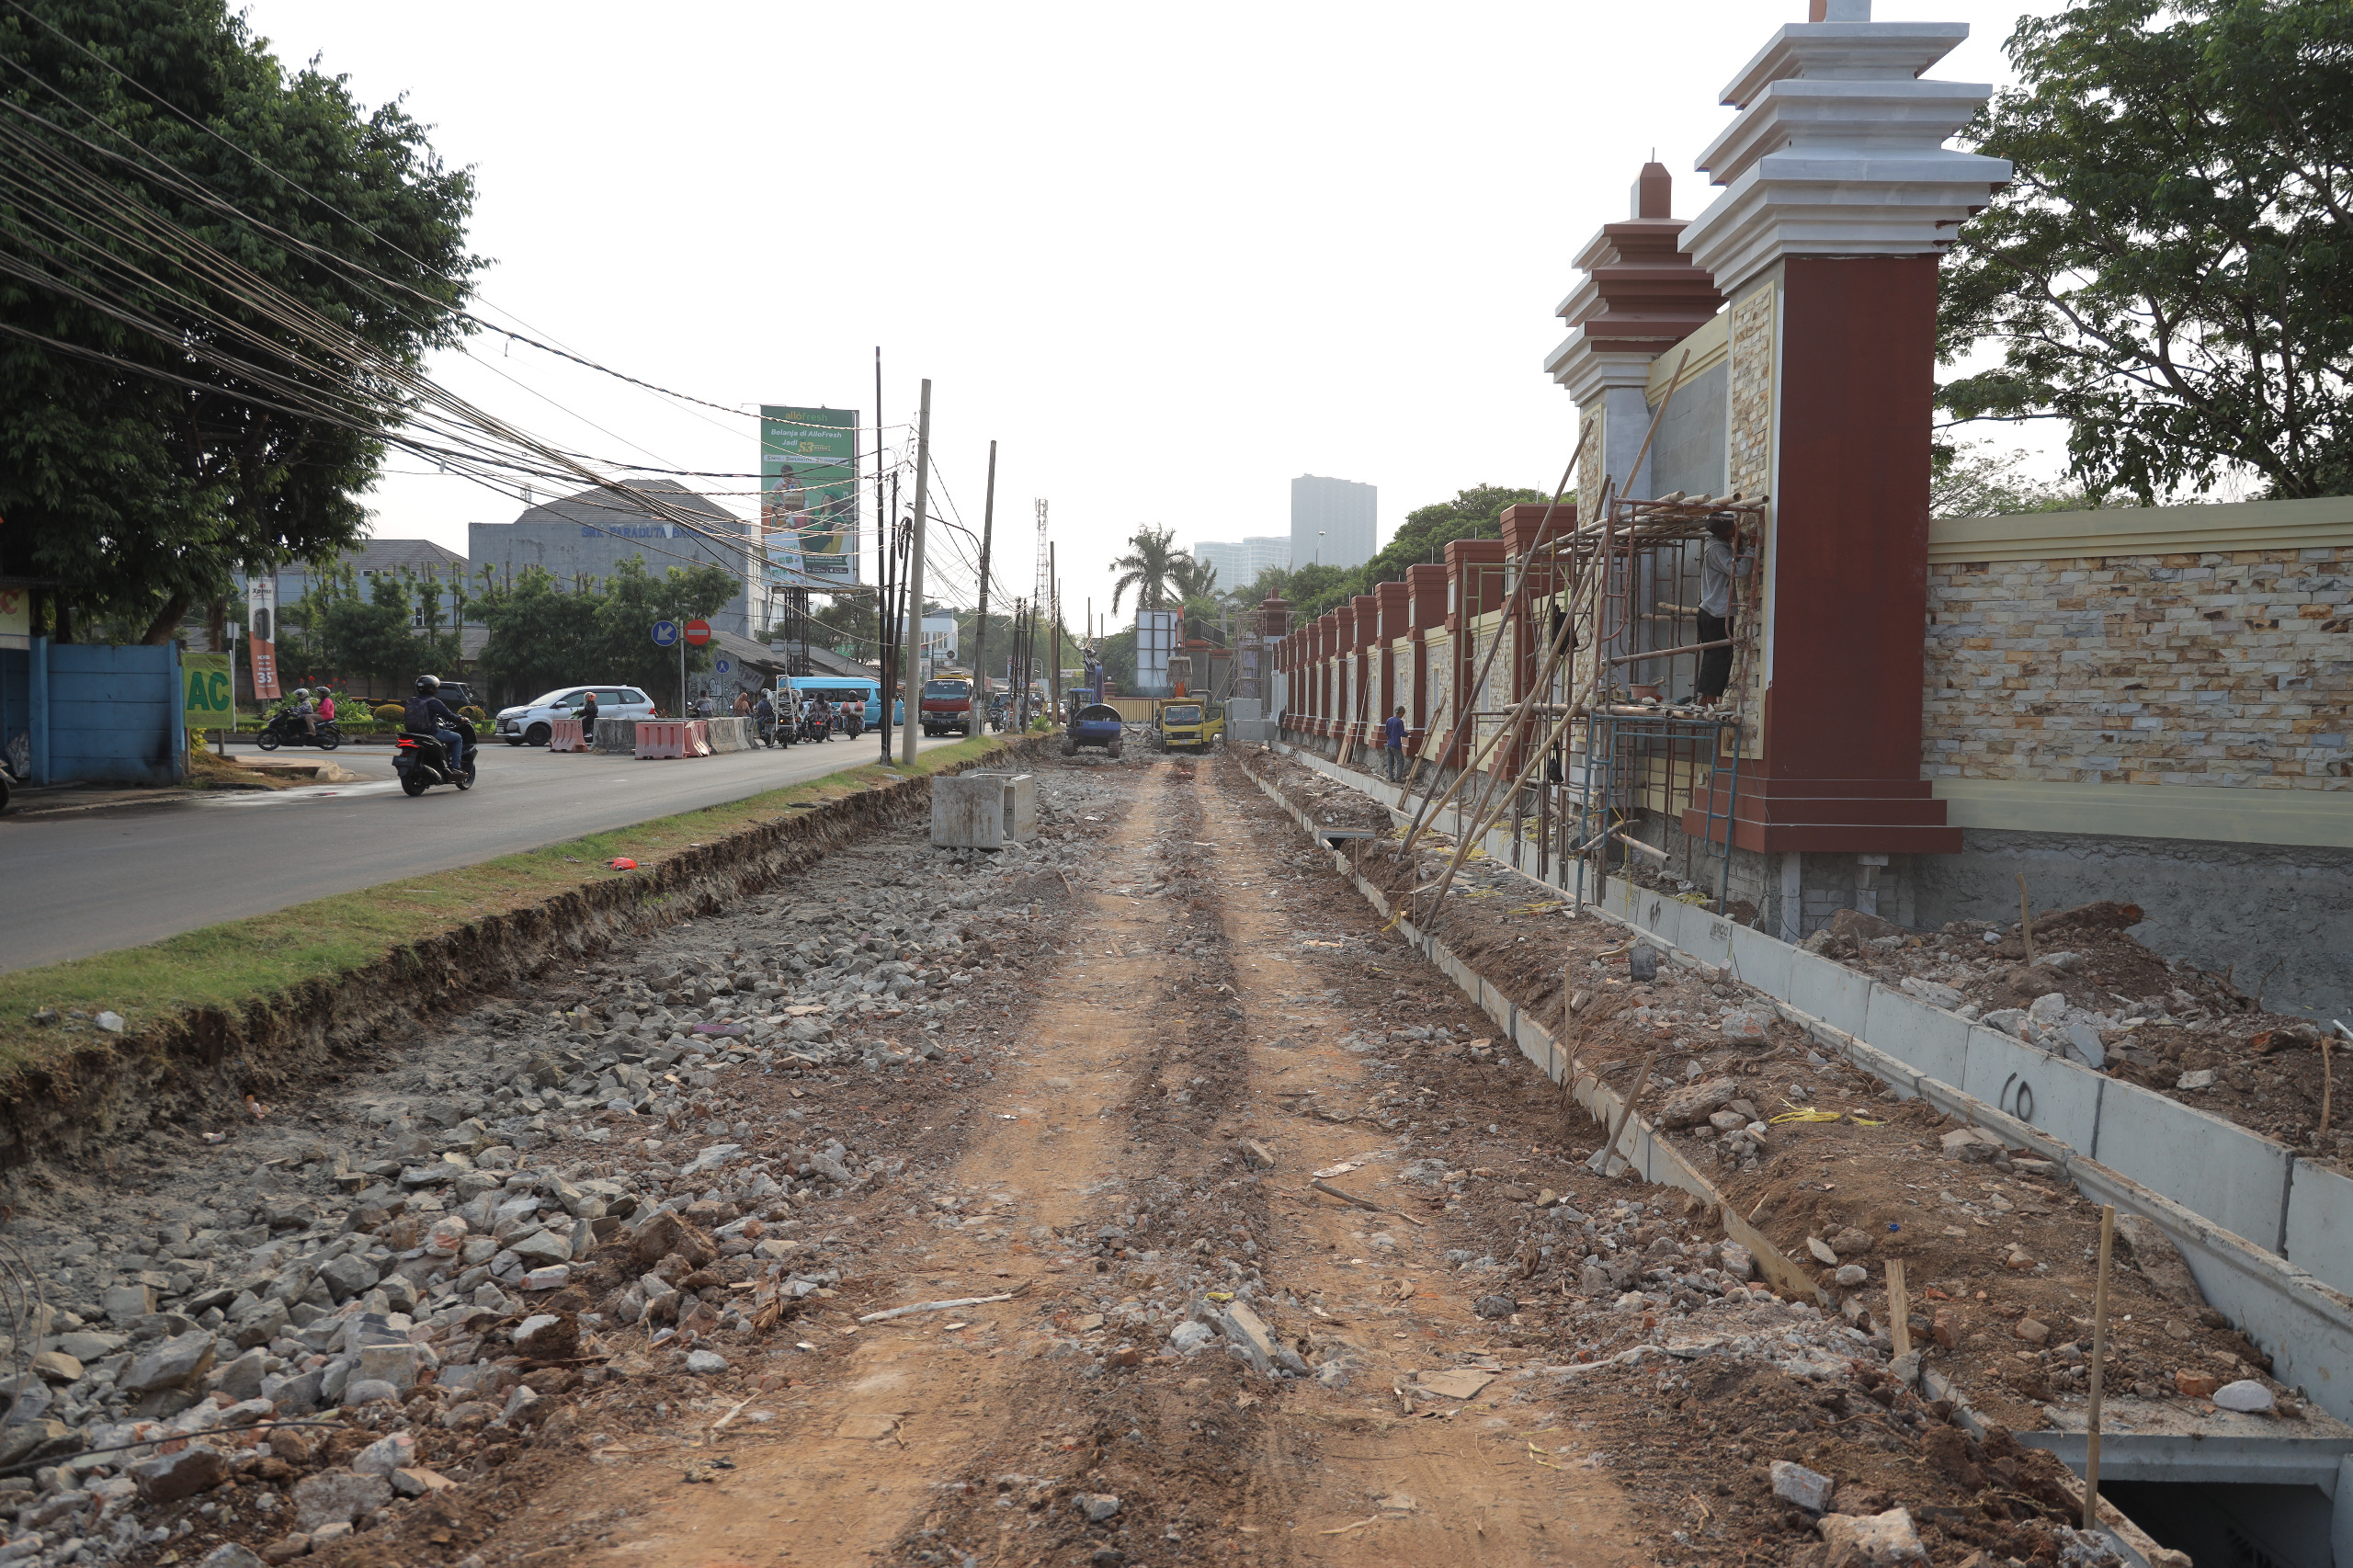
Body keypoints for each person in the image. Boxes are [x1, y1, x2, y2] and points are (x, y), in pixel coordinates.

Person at [1693, 513, 1754, 709]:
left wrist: (1743, 542)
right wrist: (1752, 548)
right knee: (1718, 656)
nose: (1736, 528)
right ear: (1725, 531)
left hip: (1713, 610)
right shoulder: (1717, 549)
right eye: (1733, 526)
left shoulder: (1718, 546)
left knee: (1719, 655)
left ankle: (1708, 699)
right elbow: (1741, 571)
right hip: (1716, 611)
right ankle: (1707, 699)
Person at [403, 675, 470, 775]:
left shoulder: (412, 701)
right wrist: (462, 719)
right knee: (457, 738)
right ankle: (456, 767)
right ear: (432, 689)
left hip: (411, 733)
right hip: (430, 733)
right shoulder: (434, 702)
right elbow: (449, 716)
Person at [1382, 703, 1408, 782]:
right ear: (1401, 713)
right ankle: (1398, 778)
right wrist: (1408, 733)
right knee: (1400, 760)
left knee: (1390, 761)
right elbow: (1401, 733)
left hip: (1389, 743)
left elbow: (1386, 732)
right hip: (1396, 744)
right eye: (1403, 713)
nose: (1403, 715)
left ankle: (1391, 777)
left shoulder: (1389, 720)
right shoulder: (1399, 722)